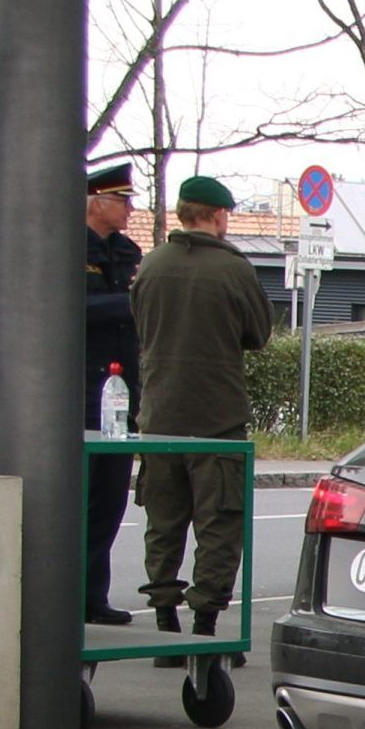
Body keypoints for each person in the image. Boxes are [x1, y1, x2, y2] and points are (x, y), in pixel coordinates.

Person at [131, 175, 272, 641]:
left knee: (163, 525)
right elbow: (258, 334)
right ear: (216, 215)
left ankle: (164, 625)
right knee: (219, 526)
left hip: (159, 417)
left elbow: (142, 328)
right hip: (217, 420)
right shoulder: (234, 271)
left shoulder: (150, 266)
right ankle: (206, 626)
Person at [82, 159, 143, 624]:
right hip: (83, 387)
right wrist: (129, 303)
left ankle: (95, 597)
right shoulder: (68, 247)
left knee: (109, 500)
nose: (128, 208)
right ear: (95, 201)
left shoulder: (127, 252)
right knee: (79, 499)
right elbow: (76, 307)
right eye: (121, 200)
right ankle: (72, 594)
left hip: (120, 391)